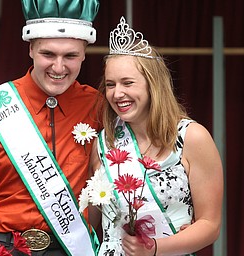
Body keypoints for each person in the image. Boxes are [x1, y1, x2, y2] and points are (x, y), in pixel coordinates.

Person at [0, 0, 101, 255]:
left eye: (70, 56)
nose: (59, 67)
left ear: (84, 54)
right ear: (31, 49)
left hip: (71, 247)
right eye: (48, 54)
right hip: (0, 245)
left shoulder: (98, 107)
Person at [87, 17, 223, 256]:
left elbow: (210, 225)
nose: (118, 93)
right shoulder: (103, 142)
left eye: (127, 83)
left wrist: (155, 248)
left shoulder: (192, 138)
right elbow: (93, 222)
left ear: (153, 85)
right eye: (110, 84)